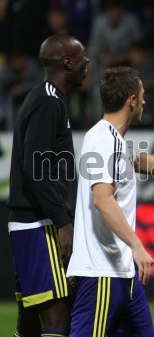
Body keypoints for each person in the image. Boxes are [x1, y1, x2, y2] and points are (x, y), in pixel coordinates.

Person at [66, 66, 154, 336]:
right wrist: (138, 246)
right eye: (141, 95)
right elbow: (103, 200)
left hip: (123, 273)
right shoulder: (104, 140)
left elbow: (139, 161)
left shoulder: (112, 139)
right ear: (131, 100)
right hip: (102, 272)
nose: (144, 101)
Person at [7, 34, 89, 337]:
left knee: (29, 324)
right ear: (67, 62)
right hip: (39, 225)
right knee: (57, 322)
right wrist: (62, 222)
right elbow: (36, 169)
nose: (87, 65)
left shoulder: (46, 98)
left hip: (31, 223)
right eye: (83, 58)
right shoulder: (47, 102)